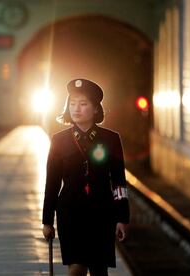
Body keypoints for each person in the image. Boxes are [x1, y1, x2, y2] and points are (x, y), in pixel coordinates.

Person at [42, 79, 130, 276]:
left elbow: (118, 182)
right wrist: (47, 220)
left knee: (99, 270)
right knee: (76, 269)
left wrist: (122, 218)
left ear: (96, 109)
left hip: (102, 212)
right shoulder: (59, 140)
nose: (76, 109)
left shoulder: (110, 139)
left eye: (83, 104)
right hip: (70, 213)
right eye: (72, 104)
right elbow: (52, 183)